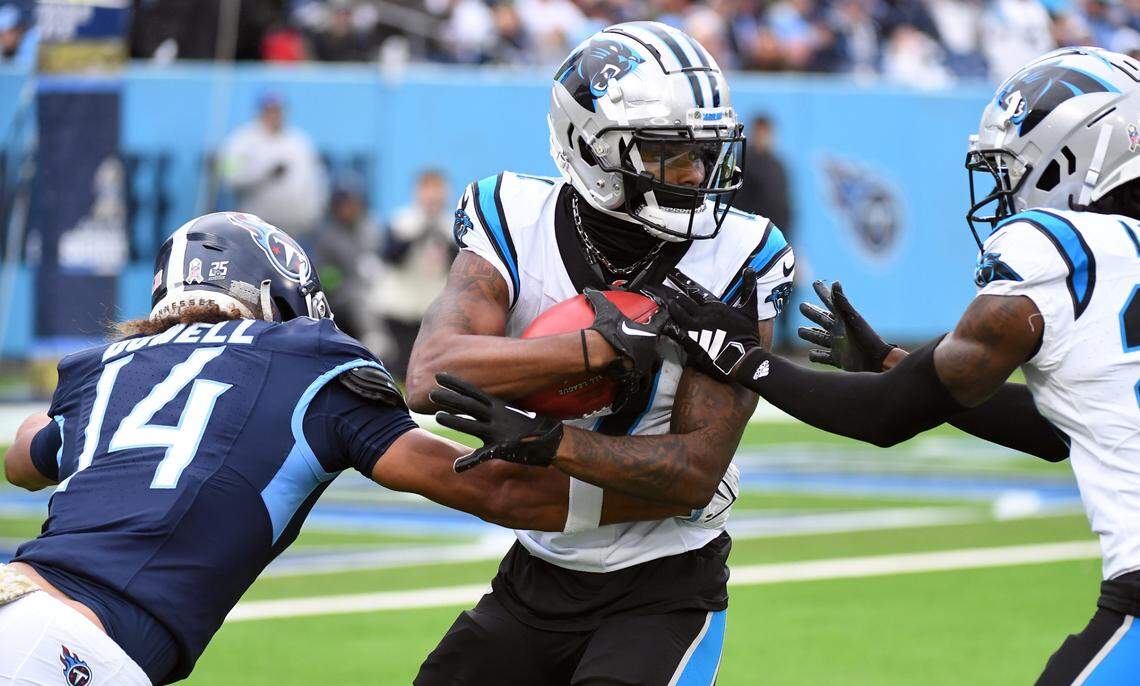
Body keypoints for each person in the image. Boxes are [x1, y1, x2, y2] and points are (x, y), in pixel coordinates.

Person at [0, 212, 726, 685]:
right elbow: (494, 488)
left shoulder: (102, 370)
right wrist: (669, 487)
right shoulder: (309, 357)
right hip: (74, 648)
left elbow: (25, 454)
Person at [639, 46, 1139, 684]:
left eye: (1010, 169)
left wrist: (743, 357)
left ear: (1071, 158)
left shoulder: (1061, 253)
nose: (1002, 193)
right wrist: (894, 362)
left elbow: (884, 417)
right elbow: (1059, 429)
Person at [405, 21, 793, 685]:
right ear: (593, 148)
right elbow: (428, 374)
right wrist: (591, 350)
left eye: (704, 152)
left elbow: (695, 471)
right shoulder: (513, 216)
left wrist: (549, 440)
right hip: (538, 572)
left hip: (664, 584)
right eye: (670, 153)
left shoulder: (743, 255)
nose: (697, 173)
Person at [374, 169, 456, 379]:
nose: (432, 195)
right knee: (402, 365)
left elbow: (457, 266)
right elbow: (391, 257)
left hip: (434, 309)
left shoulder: (452, 225)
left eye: (437, 189)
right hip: (401, 308)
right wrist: (420, 231)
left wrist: (441, 236)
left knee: (432, 367)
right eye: (427, 189)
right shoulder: (402, 220)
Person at [217, 93, 328, 243]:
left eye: (277, 109)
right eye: (269, 109)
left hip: (296, 228)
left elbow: (318, 180)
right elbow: (227, 176)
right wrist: (263, 174)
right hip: (257, 228)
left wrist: (314, 214)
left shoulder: (300, 141)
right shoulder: (241, 139)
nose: (274, 114)